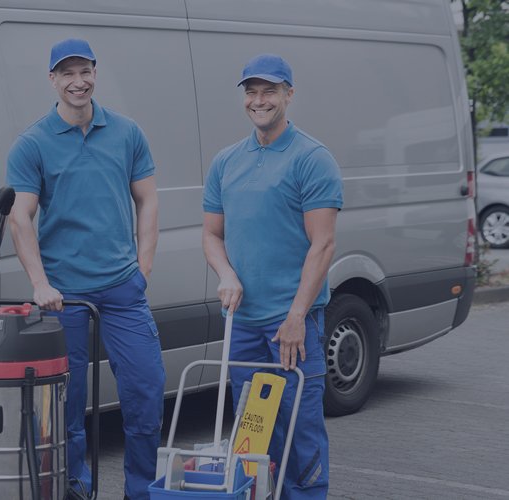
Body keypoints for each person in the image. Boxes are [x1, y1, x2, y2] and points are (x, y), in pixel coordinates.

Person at [6, 38, 165, 500]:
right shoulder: (33, 143)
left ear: (95, 72)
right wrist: (40, 284)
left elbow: (148, 198)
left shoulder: (127, 132)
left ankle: (141, 490)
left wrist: (144, 268)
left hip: (122, 290)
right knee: (63, 407)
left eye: (84, 71)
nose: (78, 82)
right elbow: (20, 218)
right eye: (67, 73)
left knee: (146, 389)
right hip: (65, 297)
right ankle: (75, 488)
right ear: (53, 79)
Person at [201, 54, 342, 499]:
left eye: (269, 91)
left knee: (300, 431)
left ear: (289, 95)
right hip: (242, 325)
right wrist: (226, 273)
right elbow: (210, 235)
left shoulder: (312, 158)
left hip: (292, 325)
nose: (259, 100)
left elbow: (323, 245)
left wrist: (297, 315)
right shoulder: (226, 162)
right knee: (255, 436)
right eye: (251, 92)